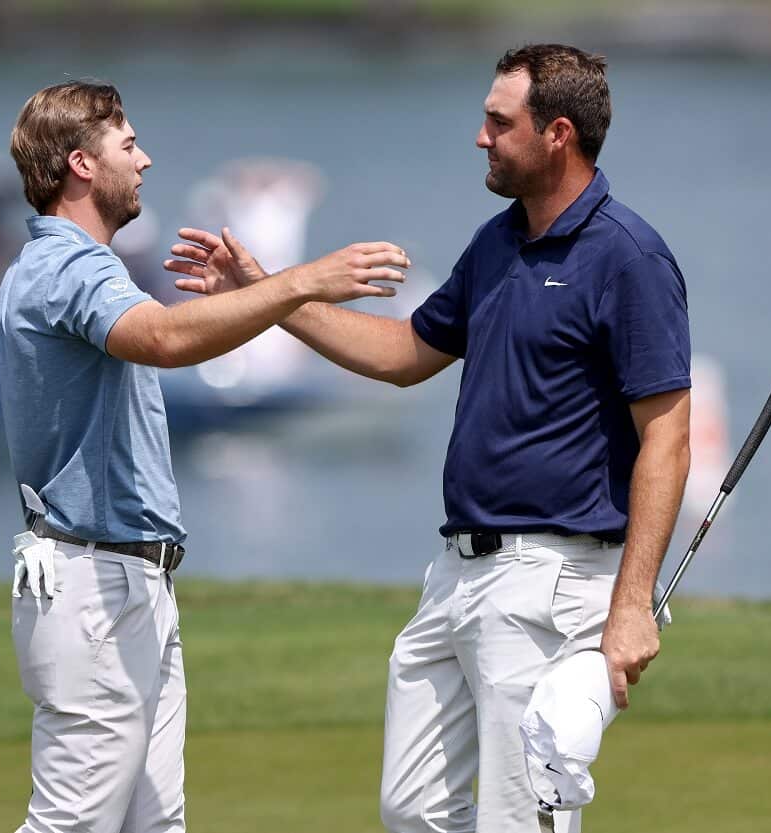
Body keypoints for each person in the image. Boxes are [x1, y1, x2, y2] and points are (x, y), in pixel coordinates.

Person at [168, 44, 691, 833]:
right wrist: (267, 294)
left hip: (549, 581)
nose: (480, 136)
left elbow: (670, 439)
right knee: (412, 807)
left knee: (522, 819)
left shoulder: (629, 258)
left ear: (557, 134)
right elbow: (403, 354)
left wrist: (631, 607)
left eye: (497, 121)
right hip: (456, 575)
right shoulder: (497, 241)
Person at [0, 79, 409, 833]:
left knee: (155, 824)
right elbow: (164, 338)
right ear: (82, 165)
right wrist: (301, 282)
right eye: (128, 144)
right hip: (97, 586)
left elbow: (174, 328)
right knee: (71, 823)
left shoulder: (71, 268)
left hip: (126, 581)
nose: (145, 159)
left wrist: (254, 292)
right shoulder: (68, 268)